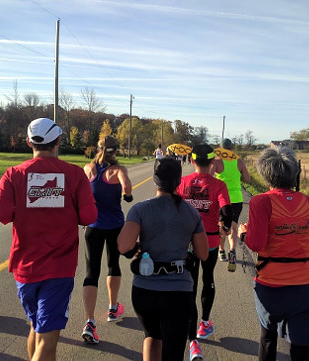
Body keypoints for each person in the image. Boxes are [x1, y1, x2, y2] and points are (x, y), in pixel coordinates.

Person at [0, 118, 98, 361]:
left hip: (25, 269)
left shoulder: (13, 174)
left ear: (29, 142)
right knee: (48, 342)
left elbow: (0, 214)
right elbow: (90, 216)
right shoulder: (74, 174)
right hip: (59, 268)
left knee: (36, 328)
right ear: (58, 141)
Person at [238, 147, 309, 361]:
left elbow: (256, 243)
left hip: (270, 288)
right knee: (302, 348)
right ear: (294, 173)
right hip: (304, 289)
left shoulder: (261, 202)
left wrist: (244, 233)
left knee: (268, 339)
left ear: (265, 173)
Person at [118, 157, 208, 361]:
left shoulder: (140, 209)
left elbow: (124, 246)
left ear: (154, 179)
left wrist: (139, 248)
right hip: (178, 290)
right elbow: (202, 254)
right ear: (179, 182)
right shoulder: (191, 213)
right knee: (174, 349)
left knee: (152, 337)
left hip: (145, 289)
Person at [177, 143, 232, 360]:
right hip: (209, 241)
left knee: (190, 285)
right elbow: (227, 211)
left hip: (188, 242)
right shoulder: (219, 185)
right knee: (208, 278)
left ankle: (192, 340)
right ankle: (205, 324)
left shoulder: (182, 182)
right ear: (212, 162)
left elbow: (175, 207)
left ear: (191, 160)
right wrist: (224, 226)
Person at [81, 135, 133, 344]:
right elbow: (127, 188)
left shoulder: (88, 169)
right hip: (114, 227)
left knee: (91, 272)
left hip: (93, 227)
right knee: (113, 265)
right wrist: (126, 196)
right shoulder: (118, 170)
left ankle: (89, 321)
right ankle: (113, 308)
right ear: (115, 151)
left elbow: (81, 192)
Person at [213, 138, 251, 272]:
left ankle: (222, 250)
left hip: (221, 199)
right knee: (233, 225)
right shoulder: (239, 161)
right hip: (236, 198)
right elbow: (248, 179)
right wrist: (237, 176)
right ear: (232, 148)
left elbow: (210, 178)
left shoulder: (217, 161)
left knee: (222, 225)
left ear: (220, 148)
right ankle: (233, 250)